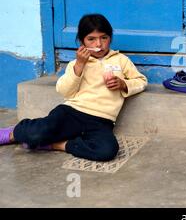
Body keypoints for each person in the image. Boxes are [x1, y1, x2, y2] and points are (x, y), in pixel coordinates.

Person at [0, 14, 148, 161]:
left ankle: (58, 145)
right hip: (71, 113)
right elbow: (64, 91)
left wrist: (124, 84)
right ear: (82, 42)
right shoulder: (76, 63)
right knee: (36, 134)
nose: (98, 44)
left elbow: (141, 81)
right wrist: (79, 65)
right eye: (91, 39)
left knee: (107, 151)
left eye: (104, 37)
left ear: (110, 38)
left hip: (102, 121)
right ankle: (14, 132)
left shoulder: (121, 60)